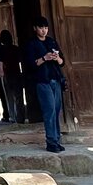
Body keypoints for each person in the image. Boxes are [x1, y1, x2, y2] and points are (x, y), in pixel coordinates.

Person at [24, 16, 66, 153]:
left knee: (57, 110)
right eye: (41, 28)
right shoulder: (31, 44)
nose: (44, 30)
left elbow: (62, 62)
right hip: (42, 81)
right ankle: (51, 141)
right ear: (35, 28)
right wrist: (44, 58)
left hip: (55, 79)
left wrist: (56, 58)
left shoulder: (51, 41)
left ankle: (57, 139)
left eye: (46, 28)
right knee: (49, 110)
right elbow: (30, 64)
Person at [0, 30, 24, 124]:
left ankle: (12, 116)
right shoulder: (16, 48)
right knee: (19, 97)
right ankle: (20, 118)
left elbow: (0, 61)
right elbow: (20, 60)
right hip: (16, 73)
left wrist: (1, 70)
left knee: (9, 96)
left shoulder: (1, 49)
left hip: (7, 74)